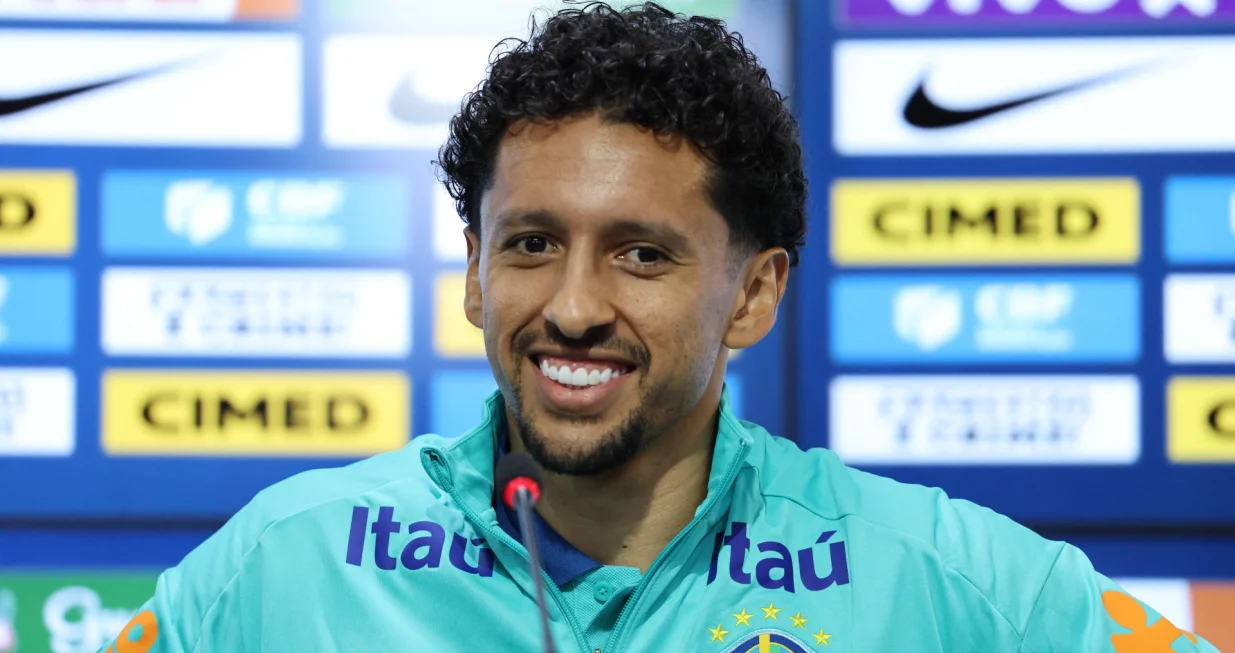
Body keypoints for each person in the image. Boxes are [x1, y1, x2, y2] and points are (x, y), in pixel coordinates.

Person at [99, 3, 1219, 652]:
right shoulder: (280, 565)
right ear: (476, 272)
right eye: (531, 241)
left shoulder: (945, 584)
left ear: (753, 292)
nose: (574, 306)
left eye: (642, 252)